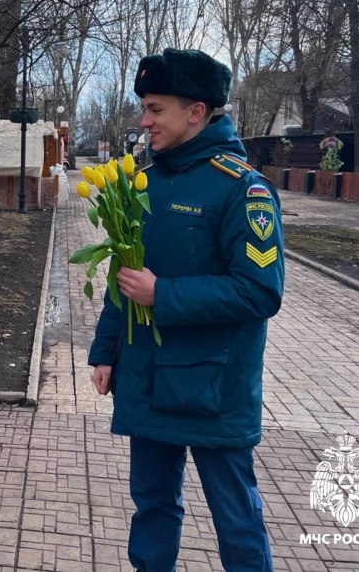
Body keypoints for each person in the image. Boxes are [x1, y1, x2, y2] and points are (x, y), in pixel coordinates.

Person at [88, 48, 284, 572]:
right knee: (152, 507)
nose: (144, 121)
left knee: (236, 519)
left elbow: (259, 292)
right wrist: (105, 350)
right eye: (144, 109)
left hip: (212, 388)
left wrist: (165, 295)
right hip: (147, 378)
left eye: (155, 109)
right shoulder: (144, 183)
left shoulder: (243, 189)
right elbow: (125, 275)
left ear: (196, 112)